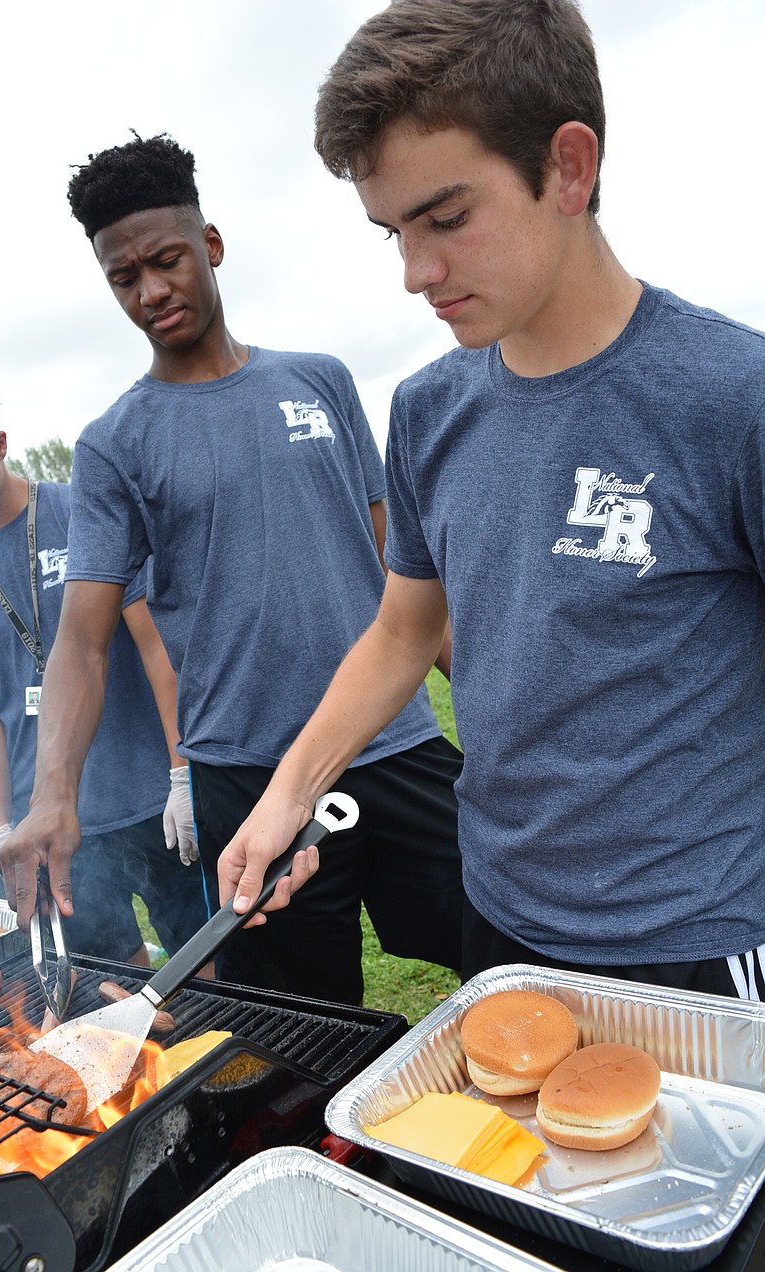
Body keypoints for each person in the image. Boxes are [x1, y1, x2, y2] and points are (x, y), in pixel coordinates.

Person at [217, 0, 765, 1003]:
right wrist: (286, 795)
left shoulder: (731, 398)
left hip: (696, 940)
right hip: (502, 916)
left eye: (447, 218)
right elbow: (399, 634)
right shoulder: (429, 410)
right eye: (392, 231)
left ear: (568, 166)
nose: (416, 273)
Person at [0, 133, 465, 1006]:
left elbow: (401, 569)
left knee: (505, 945)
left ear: (210, 245)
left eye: (167, 261)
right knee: (299, 1025)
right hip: (246, 776)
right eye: (124, 278)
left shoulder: (320, 382)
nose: (151, 292)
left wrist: (485, 689)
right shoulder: (114, 445)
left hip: (393, 741)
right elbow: (83, 644)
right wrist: (52, 793)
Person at [0, 371, 210, 964]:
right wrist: (1, 828)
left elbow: (158, 650)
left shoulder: (84, 513)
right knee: (113, 986)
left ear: (0, 442)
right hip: (53, 822)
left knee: (207, 967)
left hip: (152, 800)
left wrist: (182, 776)